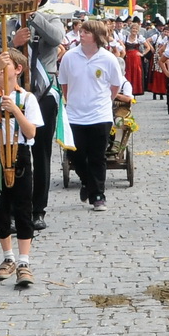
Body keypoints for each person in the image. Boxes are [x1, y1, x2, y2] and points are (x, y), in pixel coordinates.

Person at [3, 0, 66, 232]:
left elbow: (56, 38)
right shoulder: (7, 25)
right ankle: (11, 211)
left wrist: (31, 17)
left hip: (43, 93)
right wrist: (12, 41)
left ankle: (38, 209)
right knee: (10, 151)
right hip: (14, 94)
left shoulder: (51, 19)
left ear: (38, 0)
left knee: (40, 155)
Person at [57, 19, 127, 212]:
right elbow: (64, 84)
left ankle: (98, 195)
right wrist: (71, 100)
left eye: (86, 32)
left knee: (97, 156)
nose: (81, 34)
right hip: (75, 114)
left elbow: (115, 86)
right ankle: (87, 182)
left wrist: (105, 102)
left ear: (97, 36)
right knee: (75, 155)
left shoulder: (108, 59)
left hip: (100, 114)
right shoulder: (70, 57)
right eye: (82, 31)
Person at [0, 49, 43, 287]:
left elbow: (31, 132)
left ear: (18, 70)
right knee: (0, 209)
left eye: (4, 70)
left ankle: (23, 261)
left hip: (19, 153)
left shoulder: (27, 98)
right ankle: (7, 257)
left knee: (23, 208)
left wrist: (16, 111)